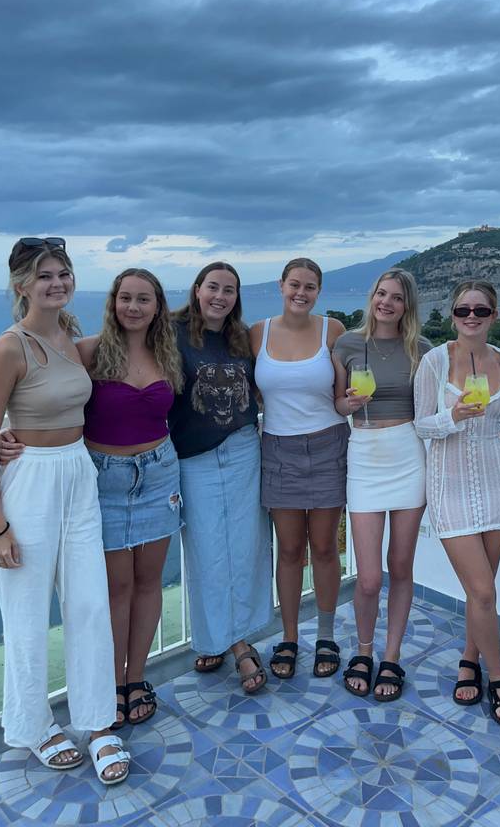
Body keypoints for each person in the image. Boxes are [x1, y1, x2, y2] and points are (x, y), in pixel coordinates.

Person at [0, 268, 185, 730]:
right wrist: (7, 431)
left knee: (150, 583)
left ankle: (135, 679)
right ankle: (109, 686)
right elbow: (45, 396)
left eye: (144, 299)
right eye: (126, 298)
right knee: (114, 589)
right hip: (103, 478)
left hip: (160, 474)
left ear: (158, 306)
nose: (134, 307)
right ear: (113, 302)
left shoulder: (169, 354)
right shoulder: (87, 351)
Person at [0, 238, 129, 784]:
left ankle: (97, 722)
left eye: (63, 273)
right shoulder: (8, 348)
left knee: (88, 603)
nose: (57, 283)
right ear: (21, 285)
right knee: (27, 614)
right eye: (45, 276)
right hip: (29, 482)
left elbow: (134, 331)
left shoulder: (69, 336)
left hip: (76, 475)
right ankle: (36, 724)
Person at [414, 279, 500, 728]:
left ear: (495, 315)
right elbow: (421, 425)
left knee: (485, 588)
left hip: (498, 482)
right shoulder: (435, 362)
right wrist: (453, 417)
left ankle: (469, 657)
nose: (472, 317)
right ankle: (499, 680)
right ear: (453, 315)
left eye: (481, 310)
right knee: (482, 590)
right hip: (449, 486)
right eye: (463, 311)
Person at [170, 262, 273, 693]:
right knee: (207, 550)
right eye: (213, 287)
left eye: (229, 290)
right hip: (193, 457)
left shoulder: (241, 337)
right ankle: (218, 638)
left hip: (244, 448)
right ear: (197, 290)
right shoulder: (169, 332)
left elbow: (266, 386)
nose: (220, 296)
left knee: (246, 546)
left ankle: (235, 639)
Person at [332, 269, 430, 701]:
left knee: (402, 567)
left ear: (406, 305)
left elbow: (436, 404)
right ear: (372, 297)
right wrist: (347, 404)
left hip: (408, 454)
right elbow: (338, 403)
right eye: (381, 294)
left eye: (396, 297)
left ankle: (391, 657)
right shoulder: (348, 344)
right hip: (365, 455)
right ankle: (364, 651)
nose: (386, 303)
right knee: (369, 578)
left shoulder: (422, 350)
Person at [250, 258, 348, 681]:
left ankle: (325, 635)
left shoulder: (334, 330)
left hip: (328, 444)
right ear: (281, 285)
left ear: (318, 291)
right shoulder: (258, 333)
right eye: (294, 284)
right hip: (277, 449)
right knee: (289, 550)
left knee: (325, 547)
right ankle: (289, 637)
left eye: (310, 287)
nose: (301, 293)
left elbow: (344, 394)